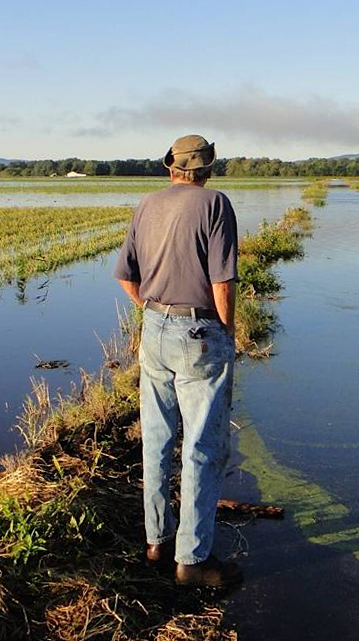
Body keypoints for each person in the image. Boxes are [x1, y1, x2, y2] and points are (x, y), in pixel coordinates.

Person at [113, 134, 243, 587]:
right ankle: (191, 561)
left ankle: (155, 542)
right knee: (203, 448)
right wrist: (227, 332)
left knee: (156, 439)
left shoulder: (146, 204)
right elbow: (222, 280)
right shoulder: (215, 204)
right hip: (199, 331)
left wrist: (153, 311)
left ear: (171, 167)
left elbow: (125, 275)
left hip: (153, 327)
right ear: (206, 170)